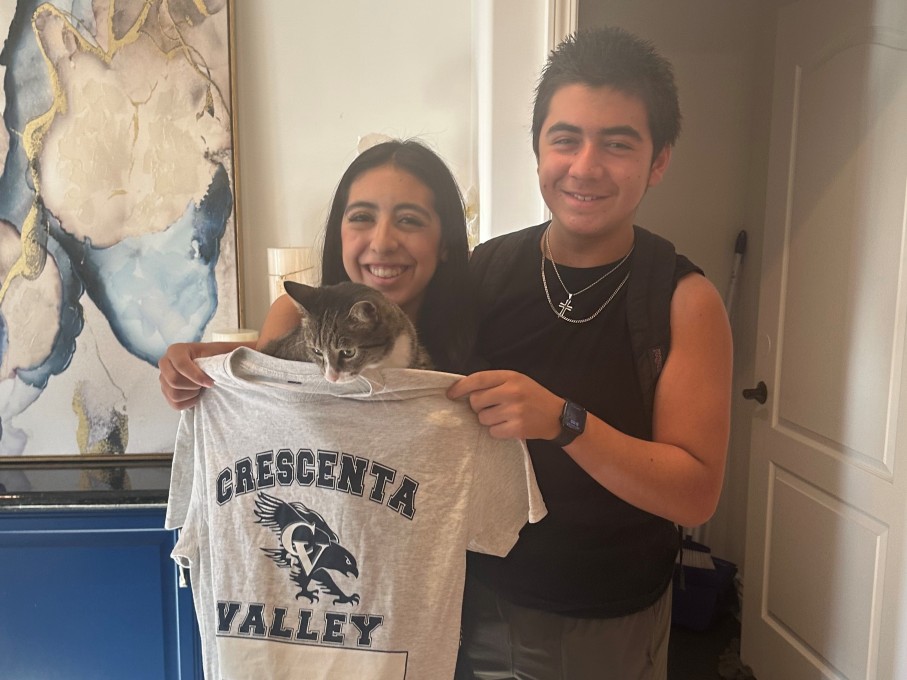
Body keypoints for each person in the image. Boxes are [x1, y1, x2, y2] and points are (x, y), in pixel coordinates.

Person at [446, 27, 733, 679]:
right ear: (537, 148)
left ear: (657, 161)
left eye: (617, 144)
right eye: (565, 139)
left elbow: (694, 494)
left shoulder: (684, 300)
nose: (584, 167)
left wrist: (563, 422)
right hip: (470, 598)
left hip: (603, 620)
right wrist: (245, 348)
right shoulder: (486, 269)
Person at [158, 138, 475, 406]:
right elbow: (272, 383)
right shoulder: (293, 314)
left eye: (408, 220)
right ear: (339, 232)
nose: (382, 243)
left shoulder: (484, 323)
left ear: (446, 240)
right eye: (362, 216)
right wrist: (204, 365)